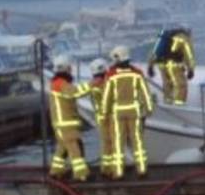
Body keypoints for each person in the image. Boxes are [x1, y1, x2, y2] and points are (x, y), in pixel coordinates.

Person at [102, 45, 154, 178]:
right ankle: (142, 169)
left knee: (119, 143)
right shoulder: (137, 73)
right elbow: (146, 93)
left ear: (117, 58)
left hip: (118, 113)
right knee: (137, 141)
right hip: (134, 112)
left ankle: (119, 172)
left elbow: (107, 96)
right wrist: (148, 109)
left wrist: (104, 112)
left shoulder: (111, 75)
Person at [49, 55, 91, 181]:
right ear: (67, 68)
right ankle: (81, 174)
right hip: (66, 124)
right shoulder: (61, 84)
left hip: (61, 124)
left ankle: (55, 171)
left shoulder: (56, 83)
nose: (71, 70)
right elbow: (74, 92)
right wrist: (91, 85)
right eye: (69, 68)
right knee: (75, 149)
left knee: (62, 149)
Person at [147, 28, 196, 105]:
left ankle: (168, 103)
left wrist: (150, 66)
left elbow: (155, 52)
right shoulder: (184, 38)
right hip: (173, 66)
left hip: (162, 65)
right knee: (181, 85)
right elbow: (189, 55)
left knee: (167, 85)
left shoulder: (167, 37)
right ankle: (179, 106)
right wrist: (191, 69)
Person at [87, 58, 114, 176]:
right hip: (110, 116)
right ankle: (113, 169)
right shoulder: (106, 83)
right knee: (113, 143)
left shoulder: (92, 84)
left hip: (100, 117)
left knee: (105, 143)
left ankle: (106, 168)